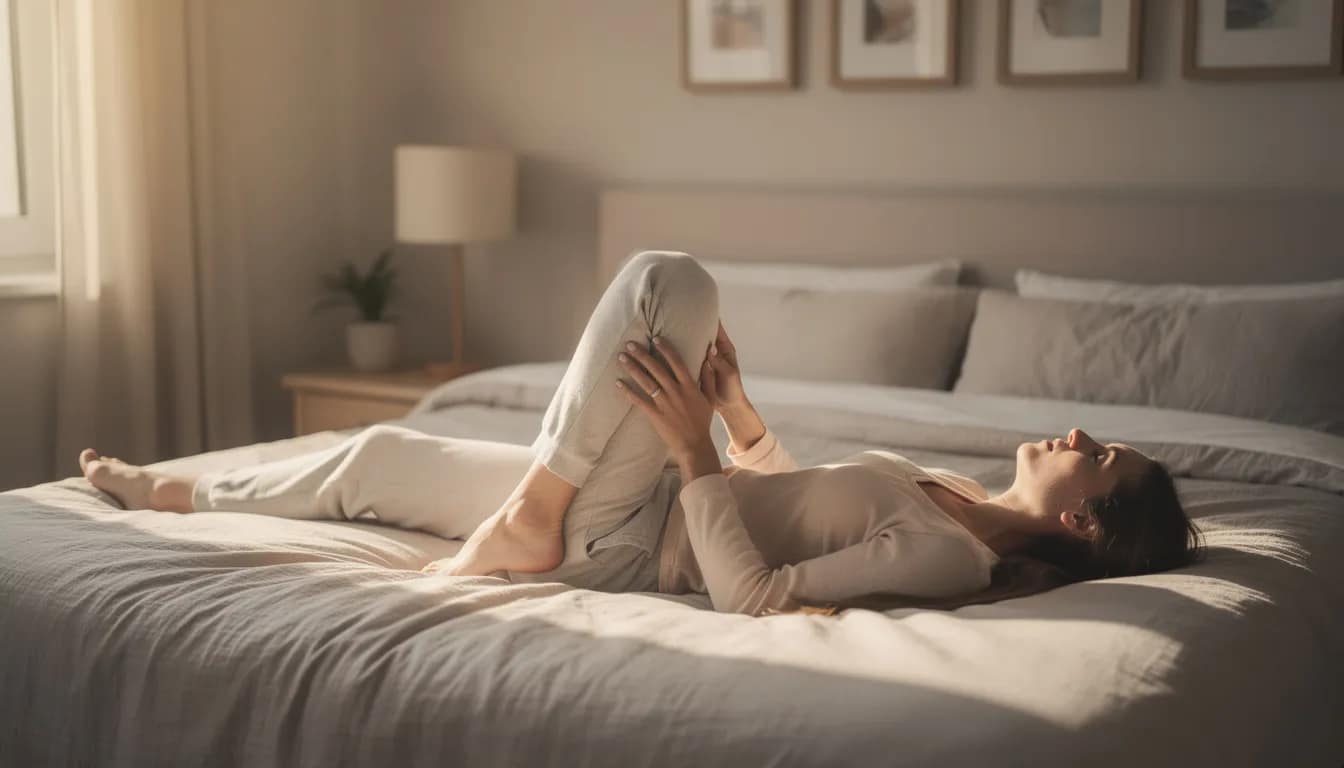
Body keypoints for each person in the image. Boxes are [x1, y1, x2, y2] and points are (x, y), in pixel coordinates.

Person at [80, 251, 1205, 616]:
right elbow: (796, 497)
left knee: (670, 279)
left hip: (636, 533)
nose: (1074, 432)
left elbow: (756, 598)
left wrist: (690, 453)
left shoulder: (955, 557)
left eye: (1099, 453)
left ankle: (537, 516)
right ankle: (180, 497)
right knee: (374, 457)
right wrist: (736, 415)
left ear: (1086, 520)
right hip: (636, 500)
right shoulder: (953, 493)